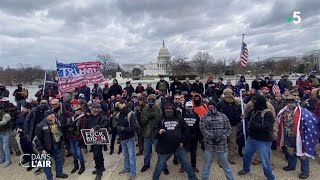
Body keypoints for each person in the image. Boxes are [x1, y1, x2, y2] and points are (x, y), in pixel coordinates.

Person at [277, 95, 319, 179]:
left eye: (292, 102)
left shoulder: (303, 112)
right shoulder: (283, 111)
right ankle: (291, 166)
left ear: (296, 103)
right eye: (288, 102)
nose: (290, 104)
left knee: (302, 154)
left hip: (299, 137)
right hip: (288, 135)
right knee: (290, 151)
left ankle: (305, 172)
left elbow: (312, 121)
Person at [153, 102, 197, 180]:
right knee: (159, 165)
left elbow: (186, 130)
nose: (168, 110)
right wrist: (158, 132)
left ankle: (193, 178)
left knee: (187, 163)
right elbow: (154, 131)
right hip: (165, 148)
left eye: (169, 108)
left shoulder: (179, 118)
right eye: (166, 109)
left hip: (178, 147)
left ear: (173, 109)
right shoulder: (161, 118)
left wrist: (182, 141)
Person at [238, 95, 275, 180]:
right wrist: (242, 116)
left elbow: (267, 127)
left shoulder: (268, 113)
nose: (253, 103)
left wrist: (253, 124)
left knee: (265, 161)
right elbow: (246, 116)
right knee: (246, 155)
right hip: (251, 138)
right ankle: (246, 169)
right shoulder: (253, 111)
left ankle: (270, 177)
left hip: (263, 140)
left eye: (254, 102)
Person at [200, 100, 234, 180]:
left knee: (226, 165)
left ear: (216, 107)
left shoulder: (223, 116)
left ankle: (230, 178)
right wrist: (211, 136)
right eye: (209, 107)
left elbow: (228, 128)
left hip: (221, 146)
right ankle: (204, 178)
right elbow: (202, 129)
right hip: (209, 146)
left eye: (213, 107)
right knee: (206, 165)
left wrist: (222, 137)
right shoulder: (204, 117)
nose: (211, 108)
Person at [35, 110, 68, 180]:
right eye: (51, 115)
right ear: (46, 116)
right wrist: (41, 149)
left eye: (53, 114)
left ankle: (59, 173)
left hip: (57, 145)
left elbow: (59, 134)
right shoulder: (40, 125)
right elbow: (38, 139)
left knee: (59, 160)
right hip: (46, 148)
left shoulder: (56, 123)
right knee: (46, 164)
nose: (53, 116)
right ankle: (49, 178)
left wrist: (56, 126)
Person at [140, 94, 168, 174]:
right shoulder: (144, 109)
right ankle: (146, 164)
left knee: (160, 151)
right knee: (146, 152)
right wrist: (148, 117)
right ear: (148, 101)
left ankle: (164, 166)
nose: (151, 102)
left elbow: (161, 120)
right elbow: (142, 121)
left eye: (153, 100)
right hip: (147, 134)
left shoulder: (158, 109)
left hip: (156, 134)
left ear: (155, 101)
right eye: (149, 100)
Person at [216, 88, 241, 164]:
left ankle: (231, 158)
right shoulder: (220, 104)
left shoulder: (236, 103)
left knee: (232, 142)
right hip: (223, 126)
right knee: (222, 142)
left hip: (233, 126)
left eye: (230, 93)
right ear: (224, 94)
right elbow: (216, 115)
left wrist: (240, 116)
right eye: (226, 93)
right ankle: (221, 159)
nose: (228, 95)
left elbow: (239, 112)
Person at [116, 99, 138, 180]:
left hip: (130, 138)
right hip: (122, 138)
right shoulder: (118, 114)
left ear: (125, 104)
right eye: (119, 104)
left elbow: (134, 127)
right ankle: (126, 168)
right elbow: (117, 124)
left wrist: (124, 129)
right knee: (125, 155)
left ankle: (133, 173)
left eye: (122, 103)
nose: (121, 105)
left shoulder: (131, 114)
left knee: (132, 156)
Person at [87, 103, 109, 180]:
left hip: (99, 139)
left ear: (95, 109)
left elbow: (105, 125)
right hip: (92, 139)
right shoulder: (91, 117)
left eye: (91, 108)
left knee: (97, 154)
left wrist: (96, 127)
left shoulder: (103, 117)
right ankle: (99, 167)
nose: (90, 110)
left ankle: (100, 171)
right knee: (95, 154)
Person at [180, 101, 201, 174]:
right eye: (188, 107)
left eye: (190, 107)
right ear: (185, 107)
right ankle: (183, 166)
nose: (189, 108)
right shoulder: (182, 115)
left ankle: (193, 166)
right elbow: (180, 126)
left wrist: (198, 136)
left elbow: (198, 126)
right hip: (185, 137)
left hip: (193, 137)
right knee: (184, 153)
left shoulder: (196, 115)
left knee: (193, 153)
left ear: (193, 107)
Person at [67, 104, 87, 175]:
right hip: (71, 137)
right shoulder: (72, 117)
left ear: (80, 110)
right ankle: (76, 165)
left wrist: (81, 139)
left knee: (78, 152)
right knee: (74, 152)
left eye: (78, 109)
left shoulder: (83, 118)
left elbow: (83, 129)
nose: (77, 111)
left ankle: (82, 166)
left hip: (78, 137)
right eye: (75, 110)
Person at [0, 102, 11, 167]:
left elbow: (3, 122)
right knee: (0, 147)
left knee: (5, 147)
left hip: (5, 133)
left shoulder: (6, 115)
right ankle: (2, 158)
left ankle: (8, 160)